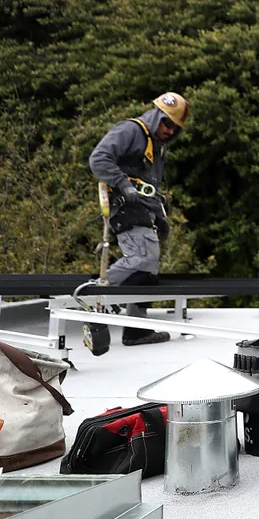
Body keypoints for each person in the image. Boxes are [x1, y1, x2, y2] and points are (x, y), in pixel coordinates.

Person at [86, 93, 190, 352]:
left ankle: (136, 331)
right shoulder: (131, 130)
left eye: (174, 128)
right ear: (157, 115)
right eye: (167, 123)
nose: (169, 130)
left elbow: (149, 188)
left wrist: (160, 218)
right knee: (143, 257)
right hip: (125, 207)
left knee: (147, 270)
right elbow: (98, 159)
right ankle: (91, 296)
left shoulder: (155, 145)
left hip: (143, 210)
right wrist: (122, 184)